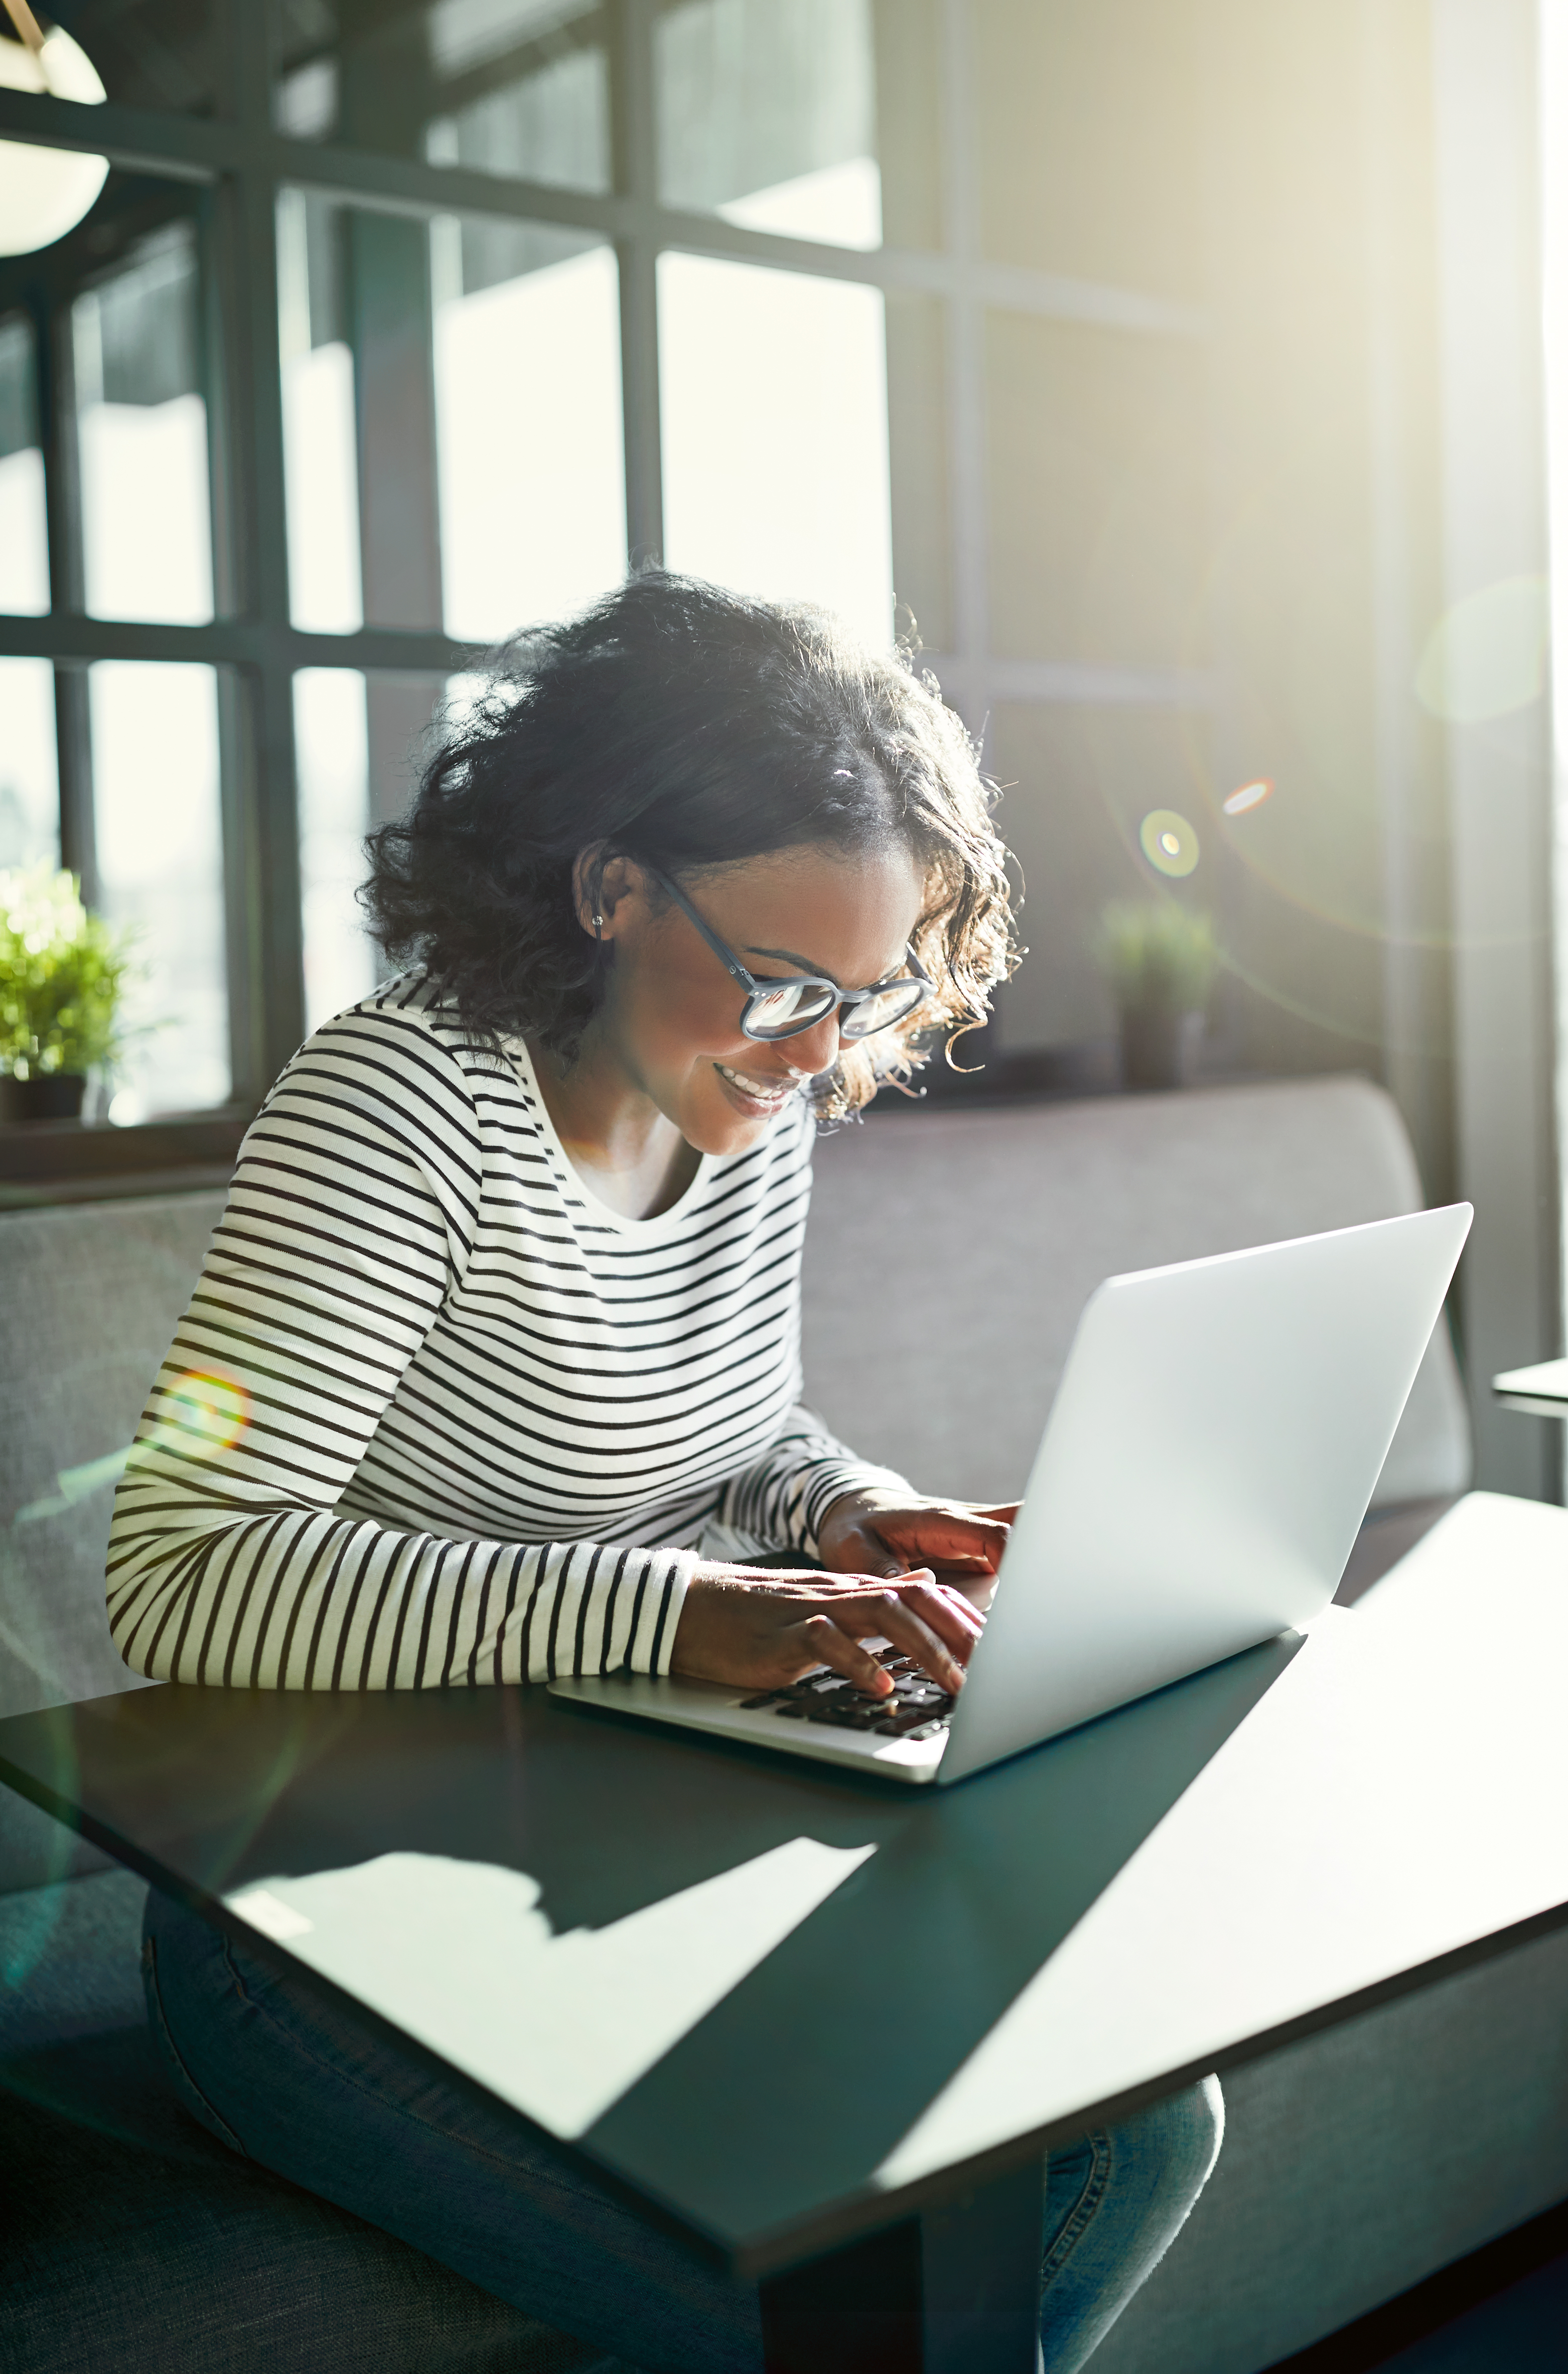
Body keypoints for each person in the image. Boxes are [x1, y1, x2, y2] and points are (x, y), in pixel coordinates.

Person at [110, 575, 1220, 2373]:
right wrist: (692, 1612)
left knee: (1141, 2125)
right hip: (322, 1922)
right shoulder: (395, 1102)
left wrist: (843, 1509)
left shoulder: (745, 1098)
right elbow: (179, 1564)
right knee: (881, 2316)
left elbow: (732, 1436)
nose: (813, 1058)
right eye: (782, 983)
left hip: (626, 1828)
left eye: (862, 1000)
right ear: (606, 885)